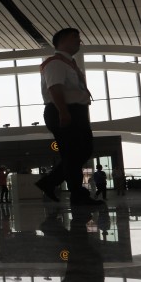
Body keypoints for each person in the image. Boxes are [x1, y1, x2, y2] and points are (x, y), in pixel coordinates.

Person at [34, 28, 102, 206]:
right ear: (62, 40)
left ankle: (49, 182)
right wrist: (63, 112)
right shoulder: (55, 63)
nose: (80, 41)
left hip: (75, 110)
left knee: (82, 151)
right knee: (73, 153)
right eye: (76, 37)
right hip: (62, 109)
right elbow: (54, 88)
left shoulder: (70, 63)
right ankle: (77, 195)